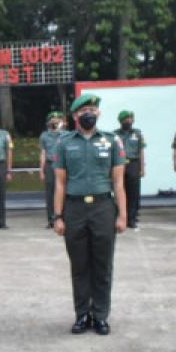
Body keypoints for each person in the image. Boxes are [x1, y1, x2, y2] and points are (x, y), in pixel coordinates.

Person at [52, 94, 127, 335]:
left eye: (93, 109)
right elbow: (60, 183)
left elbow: (118, 182)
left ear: (99, 114)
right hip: (74, 209)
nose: (89, 113)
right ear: (75, 116)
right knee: (80, 265)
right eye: (84, 110)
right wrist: (58, 216)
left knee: (103, 264)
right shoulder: (64, 143)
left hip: (103, 207)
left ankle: (101, 315)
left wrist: (122, 215)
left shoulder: (112, 141)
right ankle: (82, 314)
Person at [114, 110, 146, 229]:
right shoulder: (115, 135)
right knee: (119, 191)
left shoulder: (137, 134)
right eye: (125, 119)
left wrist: (142, 168)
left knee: (133, 193)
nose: (128, 121)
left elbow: (141, 151)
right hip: (120, 164)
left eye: (130, 119)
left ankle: (131, 219)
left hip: (134, 164)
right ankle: (121, 216)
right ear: (121, 121)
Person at [39, 111, 67, 228]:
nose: (55, 122)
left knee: (64, 191)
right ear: (48, 122)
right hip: (50, 165)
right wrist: (41, 170)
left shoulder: (66, 135)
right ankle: (51, 219)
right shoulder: (44, 136)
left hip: (63, 165)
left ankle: (64, 217)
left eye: (57, 120)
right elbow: (43, 153)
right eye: (52, 120)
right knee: (50, 193)